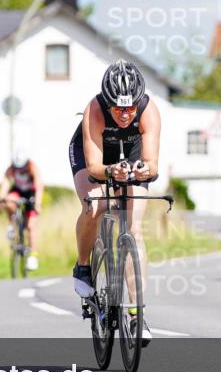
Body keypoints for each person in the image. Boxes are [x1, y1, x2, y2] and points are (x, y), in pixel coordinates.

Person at [68, 59, 161, 346]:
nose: (125, 114)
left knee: (134, 228)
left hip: (132, 153)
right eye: (118, 108)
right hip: (95, 156)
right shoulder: (94, 110)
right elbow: (95, 166)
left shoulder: (148, 111)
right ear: (107, 102)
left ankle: (136, 315)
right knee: (95, 204)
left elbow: (153, 165)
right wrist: (110, 172)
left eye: (130, 107)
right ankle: (83, 265)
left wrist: (145, 170)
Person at [0, 148, 43, 271]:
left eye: (22, 168)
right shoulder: (11, 169)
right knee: (9, 200)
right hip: (18, 191)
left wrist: (37, 203)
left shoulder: (32, 167)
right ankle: (12, 226)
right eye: (17, 168)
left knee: (31, 226)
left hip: (30, 194)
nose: (19, 170)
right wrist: (0, 201)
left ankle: (32, 255)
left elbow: (39, 185)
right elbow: (5, 184)